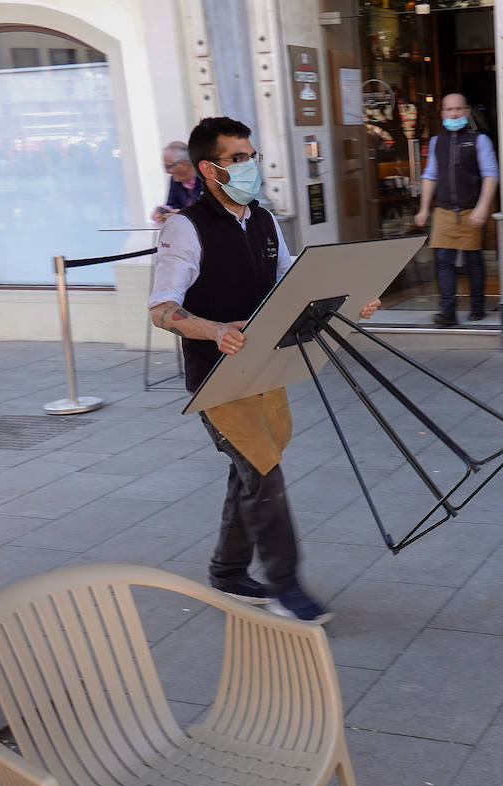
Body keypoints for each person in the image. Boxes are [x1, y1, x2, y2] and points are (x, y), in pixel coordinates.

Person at [148, 116, 379, 623]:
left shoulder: (265, 221)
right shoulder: (184, 228)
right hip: (217, 379)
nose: (249, 166)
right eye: (237, 159)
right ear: (209, 169)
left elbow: (294, 283)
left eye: (250, 156)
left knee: (251, 468)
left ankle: (228, 571)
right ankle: (286, 584)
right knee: (262, 471)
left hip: (267, 368)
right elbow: (162, 309)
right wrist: (213, 330)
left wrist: (353, 298)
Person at [415, 93, 499, 328]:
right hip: (443, 211)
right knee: (444, 261)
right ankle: (448, 312)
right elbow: (430, 175)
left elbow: (490, 175)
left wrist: (482, 208)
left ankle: (477, 307)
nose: (454, 114)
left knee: (473, 261)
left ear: (466, 112)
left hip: (470, 210)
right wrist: (424, 209)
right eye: (449, 110)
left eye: (458, 109)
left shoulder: (479, 140)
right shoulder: (436, 142)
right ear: (442, 114)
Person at [150, 141, 204, 224]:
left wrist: (186, 214)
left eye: (168, 166)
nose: (167, 171)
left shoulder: (207, 178)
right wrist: (164, 212)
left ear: (184, 164)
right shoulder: (175, 180)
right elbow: (172, 204)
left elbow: (213, 211)